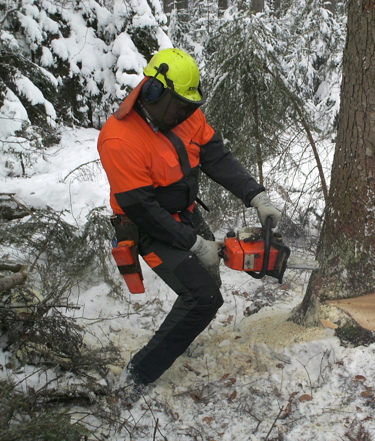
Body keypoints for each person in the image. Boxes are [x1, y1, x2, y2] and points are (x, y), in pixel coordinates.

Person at [97, 48, 281, 399]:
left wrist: (257, 196)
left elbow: (217, 157)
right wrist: (195, 244)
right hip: (146, 226)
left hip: (184, 212)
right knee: (203, 297)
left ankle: (181, 337)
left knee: (210, 281)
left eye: (189, 106)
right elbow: (144, 210)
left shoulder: (187, 116)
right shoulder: (119, 138)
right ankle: (137, 375)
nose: (186, 113)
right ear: (153, 91)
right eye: (180, 105)